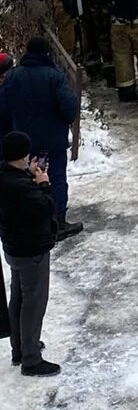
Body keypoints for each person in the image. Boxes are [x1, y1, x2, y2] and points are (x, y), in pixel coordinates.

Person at [0, 36, 82, 241]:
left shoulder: (13, 76)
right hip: (52, 140)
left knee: (27, 179)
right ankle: (58, 222)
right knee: (55, 178)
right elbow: (70, 107)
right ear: (46, 52)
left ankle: (36, 221)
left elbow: (5, 107)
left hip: (24, 142)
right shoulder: (54, 76)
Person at [0, 131, 60, 376]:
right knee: (34, 302)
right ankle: (31, 359)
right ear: (23, 155)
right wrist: (43, 183)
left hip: (14, 248)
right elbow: (46, 207)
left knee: (19, 299)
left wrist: (28, 174)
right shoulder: (22, 188)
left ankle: (20, 348)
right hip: (32, 249)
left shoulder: (6, 175)